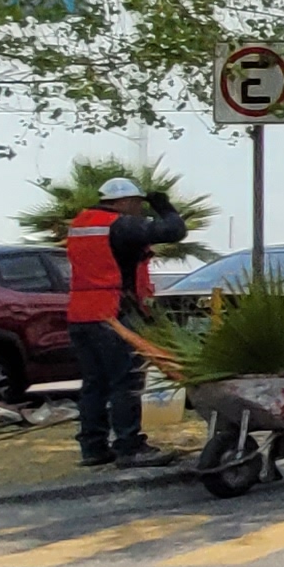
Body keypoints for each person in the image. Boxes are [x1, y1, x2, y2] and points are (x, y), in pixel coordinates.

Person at [66, 177, 189, 468]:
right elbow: (174, 231)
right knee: (127, 381)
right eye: (137, 203)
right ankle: (129, 447)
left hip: (81, 313)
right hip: (113, 312)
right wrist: (164, 207)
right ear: (124, 201)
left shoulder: (81, 223)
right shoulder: (121, 225)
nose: (138, 209)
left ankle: (93, 448)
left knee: (94, 383)